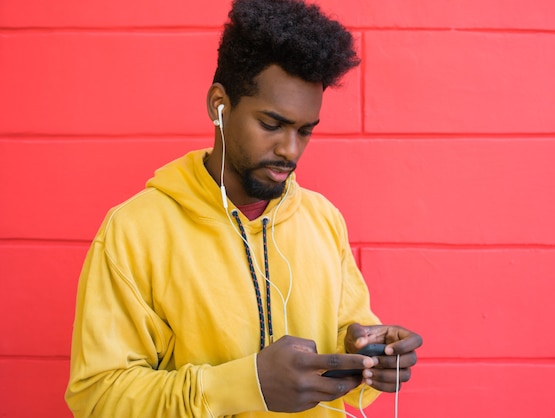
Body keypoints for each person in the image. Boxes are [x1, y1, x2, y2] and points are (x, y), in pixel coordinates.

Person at [65, 0, 423, 416]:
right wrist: (246, 384)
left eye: (304, 131)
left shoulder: (323, 220)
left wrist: (362, 354)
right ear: (219, 105)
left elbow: (346, 333)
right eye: (271, 125)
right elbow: (99, 397)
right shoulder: (135, 230)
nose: (290, 150)